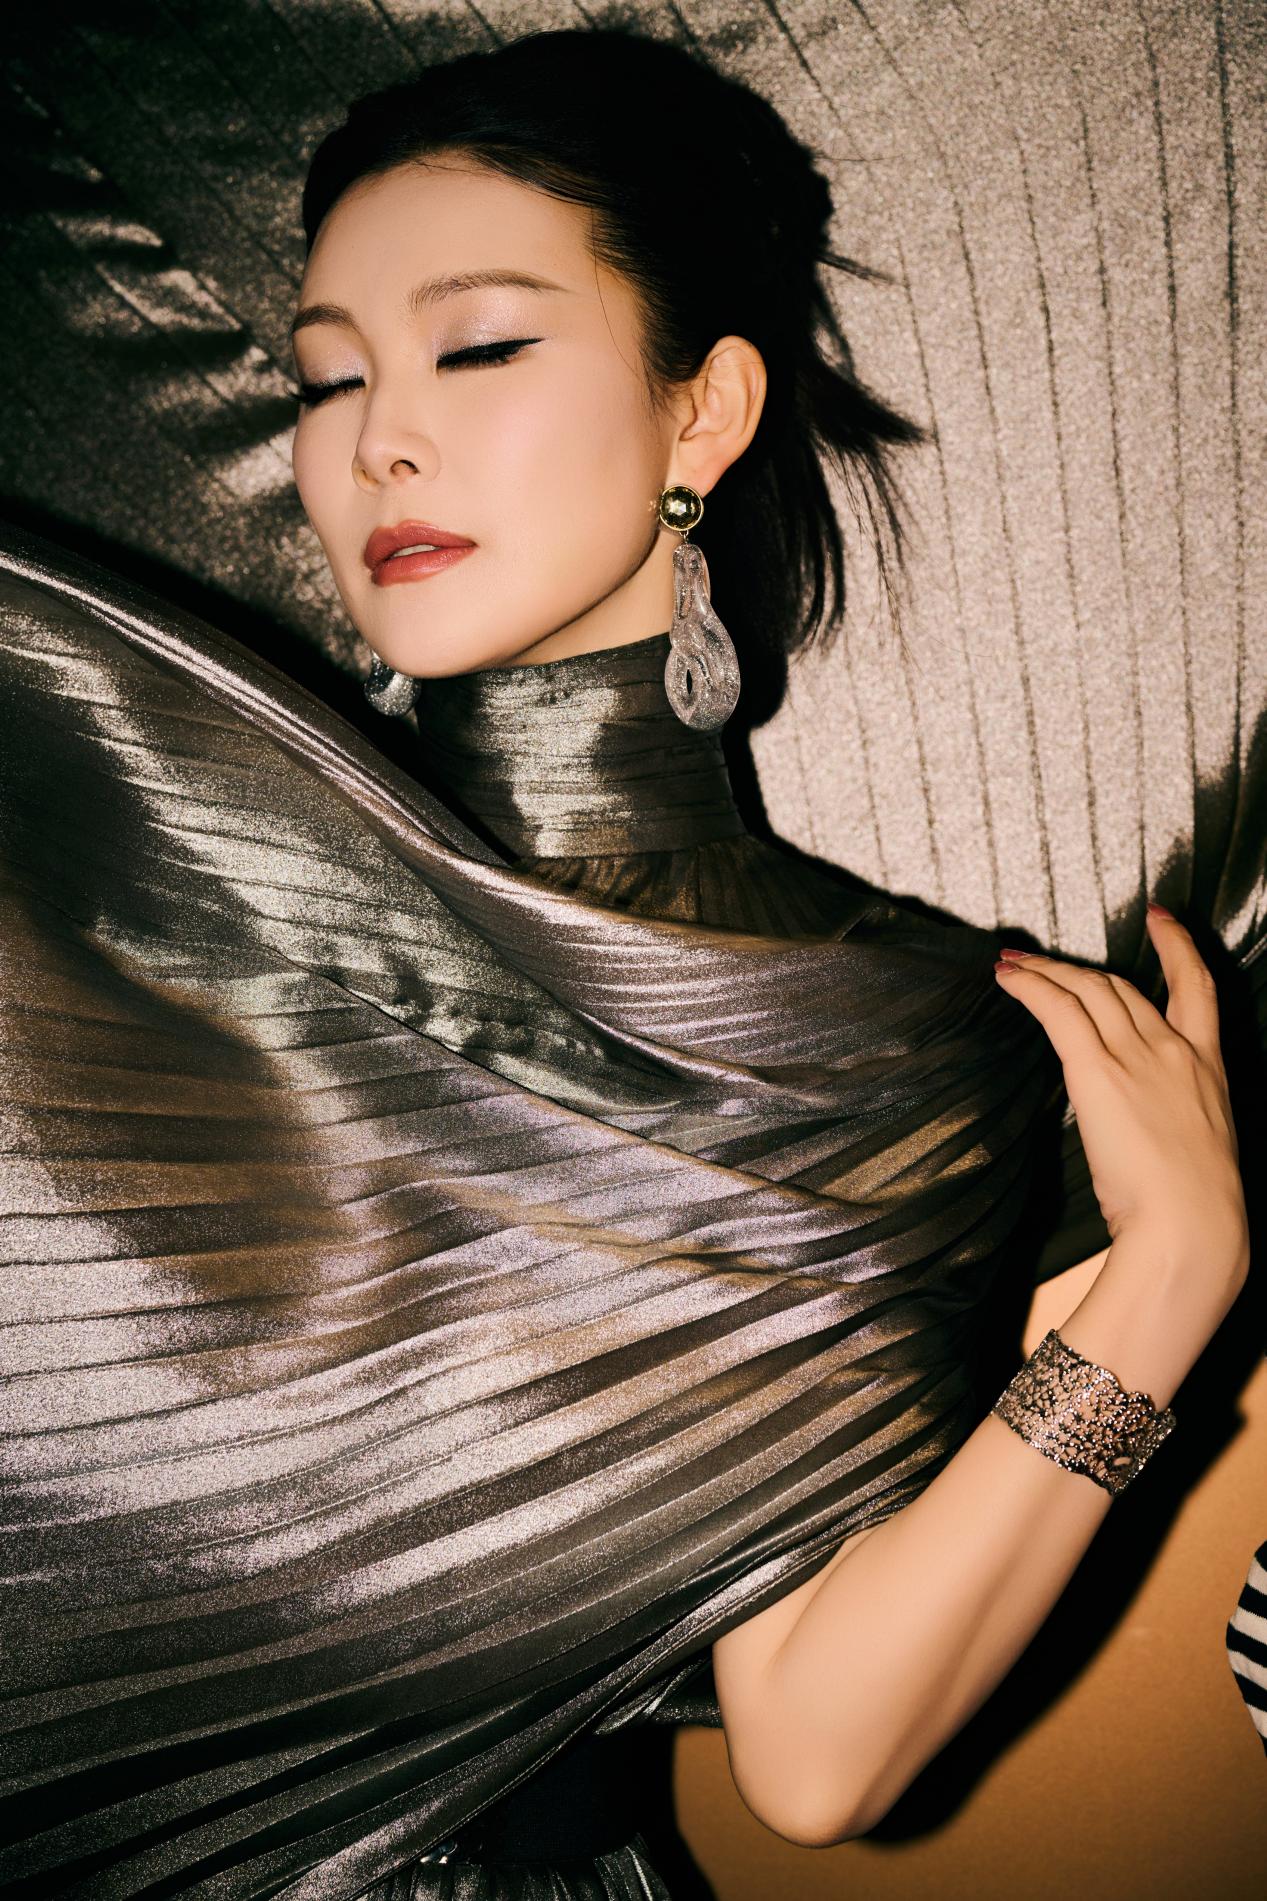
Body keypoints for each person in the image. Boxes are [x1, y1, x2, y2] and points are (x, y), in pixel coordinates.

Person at [0, 27, 1249, 1901]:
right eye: (328, 375)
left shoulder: (903, 1031)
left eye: (478, 347)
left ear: (705, 413)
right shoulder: (133, 843)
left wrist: (1169, 1278)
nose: (374, 436)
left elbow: (819, 1754)